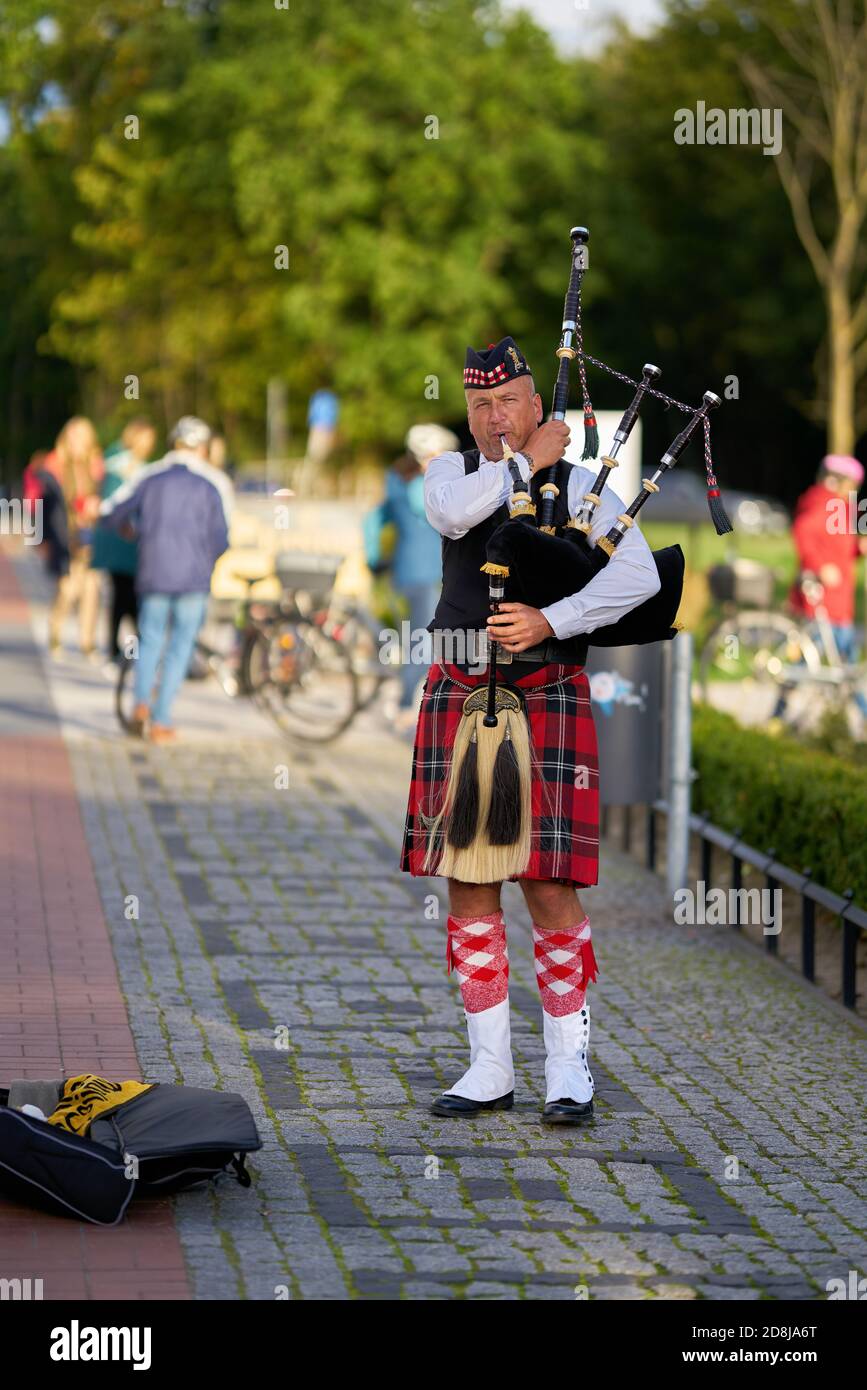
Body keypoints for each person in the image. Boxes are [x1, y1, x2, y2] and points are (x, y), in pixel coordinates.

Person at [399, 337, 661, 1124]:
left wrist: (553, 615)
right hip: (459, 685)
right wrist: (521, 464)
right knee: (469, 876)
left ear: (535, 406)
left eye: (506, 401)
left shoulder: (585, 486)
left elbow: (640, 577)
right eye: (479, 405)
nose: (491, 417)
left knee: (548, 881)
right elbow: (453, 515)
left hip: (546, 686)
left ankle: (568, 1068)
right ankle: (487, 1068)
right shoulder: (453, 475)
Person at [100, 416, 231, 743]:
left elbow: (110, 511)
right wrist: (205, 563)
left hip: (154, 572)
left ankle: (140, 703)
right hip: (193, 580)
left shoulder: (149, 476)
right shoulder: (212, 483)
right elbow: (223, 537)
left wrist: (131, 532)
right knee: (181, 646)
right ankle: (161, 719)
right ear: (202, 447)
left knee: (150, 639)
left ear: (173, 443)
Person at [365, 423, 457, 730]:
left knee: (415, 640)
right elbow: (441, 514)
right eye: (439, 455)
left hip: (403, 571)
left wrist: (373, 556)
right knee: (424, 645)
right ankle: (404, 704)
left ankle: (401, 695)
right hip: (425, 572)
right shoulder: (422, 486)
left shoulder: (396, 480)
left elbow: (374, 518)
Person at [90, 417, 157, 666]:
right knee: (123, 595)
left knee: (124, 595)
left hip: (128, 541)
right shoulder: (120, 464)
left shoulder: (135, 465)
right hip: (121, 541)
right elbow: (113, 503)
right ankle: (120, 648)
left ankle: (122, 648)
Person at [38, 418, 105, 656]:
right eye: (73, 436)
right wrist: (41, 539)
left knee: (91, 590)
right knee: (68, 589)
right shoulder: (54, 468)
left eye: (81, 437)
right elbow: (43, 508)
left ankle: (87, 642)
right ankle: (55, 633)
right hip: (64, 536)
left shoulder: (96, 468)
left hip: (91, 535)